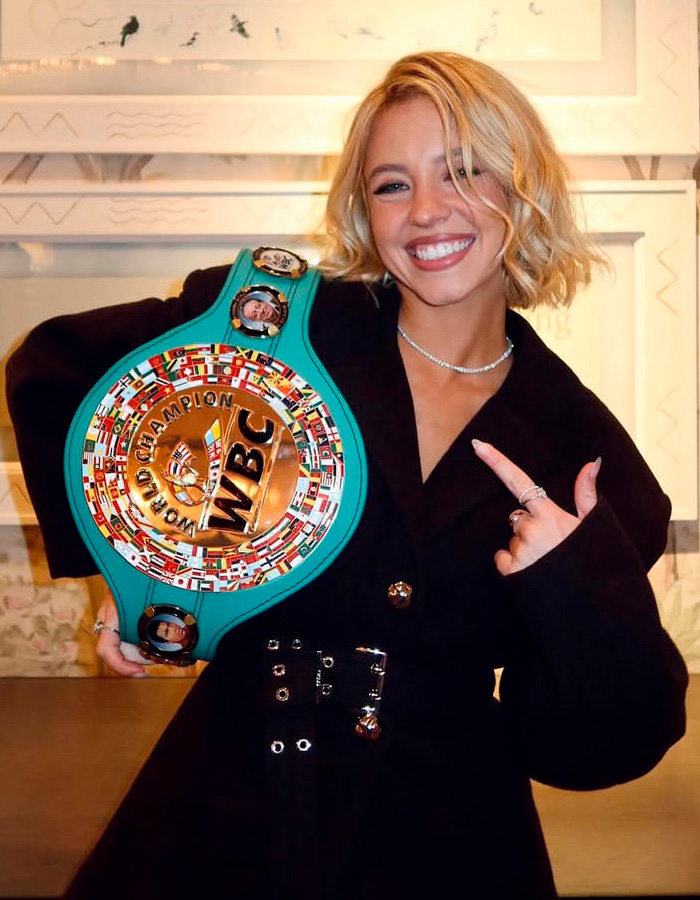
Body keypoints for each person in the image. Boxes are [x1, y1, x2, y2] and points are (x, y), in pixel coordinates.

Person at [6, 51, 687, 900]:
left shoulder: (588, 456)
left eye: (464, 171)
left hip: (450, 841)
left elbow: (591, 752)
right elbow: (55, 368)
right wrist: (141, 560)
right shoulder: (275, 328)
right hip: (220, 816)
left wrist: (573, 587)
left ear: (526, 189)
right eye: (391, 184)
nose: (427, 211)